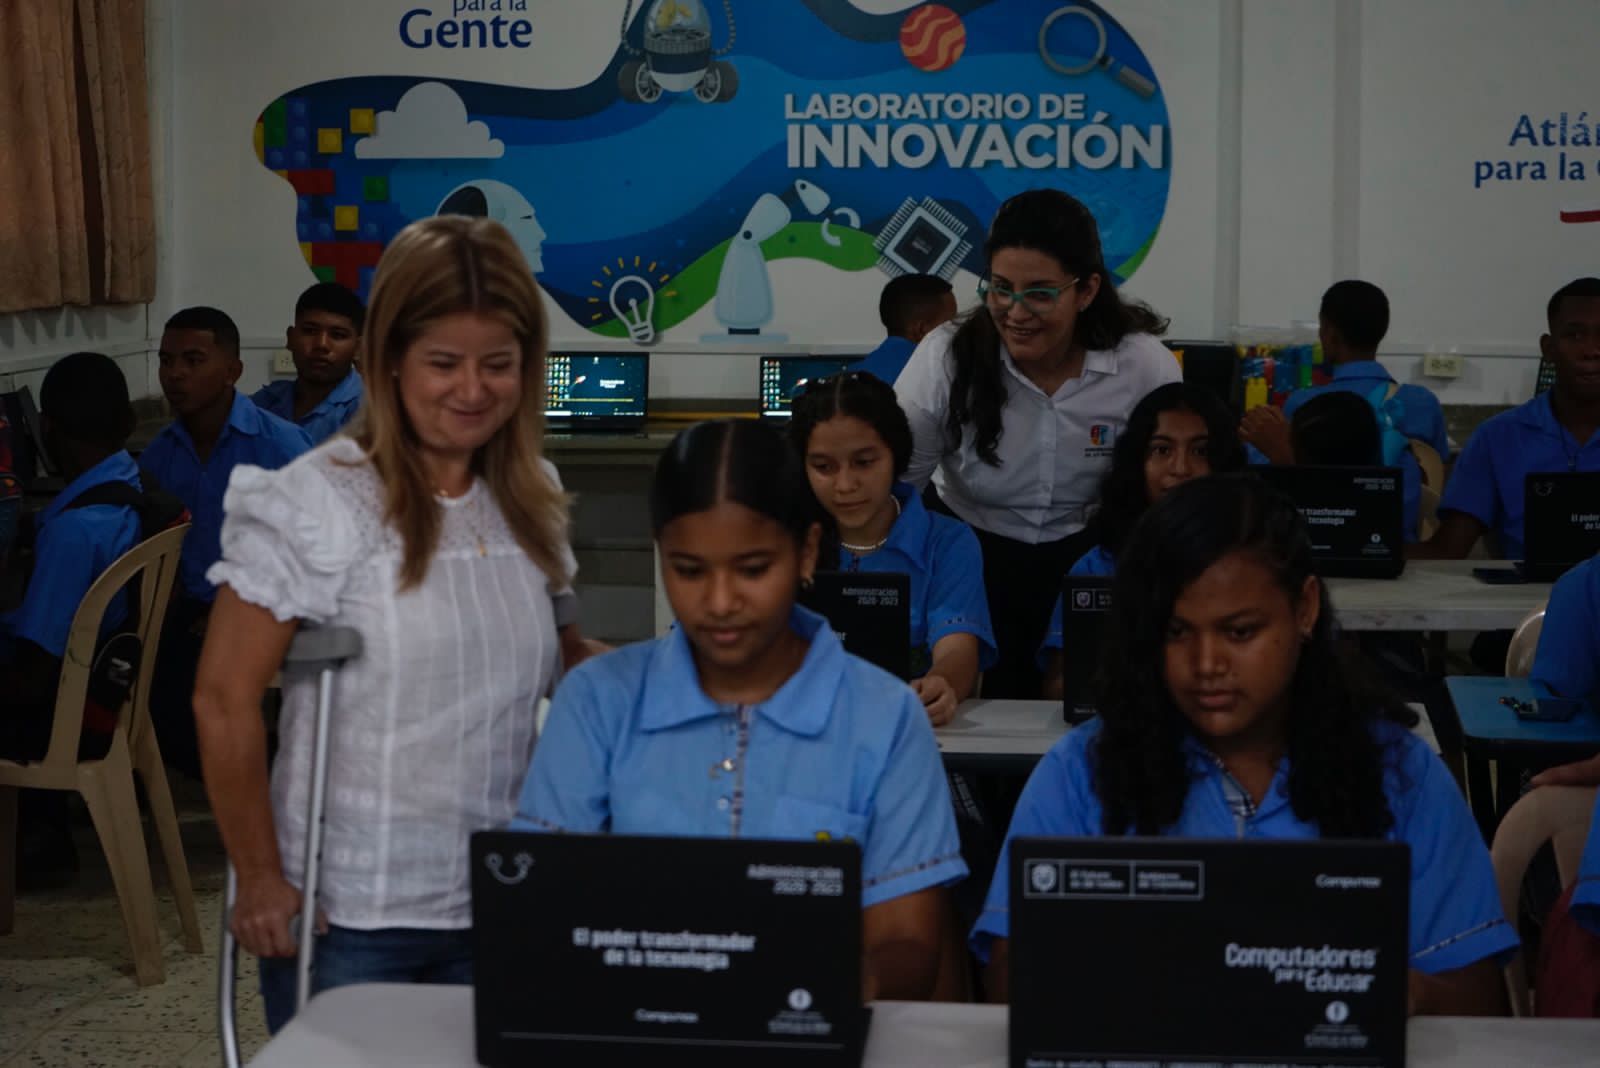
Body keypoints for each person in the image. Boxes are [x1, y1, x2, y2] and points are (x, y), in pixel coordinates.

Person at [194, 216, 596, 1032]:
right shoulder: (317, 500)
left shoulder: (530, 499)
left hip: (500, 894)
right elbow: (223, 698)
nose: (473, 390)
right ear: (390, 361)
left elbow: (569, 662)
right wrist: (260, 877)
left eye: (499, 365)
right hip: (350, 914)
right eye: (444, 363)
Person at [972, 476, 1517, 1015]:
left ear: (1304, 609)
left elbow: (1476, 997)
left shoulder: (1400, 772)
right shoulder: (1080, 772)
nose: (1207, 665)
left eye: (1240, 632)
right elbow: (1013, 980)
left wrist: (1400, 991)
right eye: (1176, 632)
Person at [511, 419, 966, 1001]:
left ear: (805, 552)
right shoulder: (599, 699)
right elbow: (542, 903)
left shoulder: (886, 717)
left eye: (753, 570)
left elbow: (907, 940)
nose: (721, 602)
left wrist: (796, 994)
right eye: (689, 570)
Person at [894, 189, 1180, 697]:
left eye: (1040, 293)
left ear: (1087, 290)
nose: (1015, 312)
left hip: (1092, 558)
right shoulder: (945, 357)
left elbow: (1170, 490)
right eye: (1000, 289)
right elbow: (898, 491)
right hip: (971, 556)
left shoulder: (1143, 364)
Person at [0, 353, 183, 883]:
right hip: (114, 695)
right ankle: (41, 831)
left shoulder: (75, 533)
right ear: (127, 423)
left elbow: (32, 680)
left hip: (65, 716)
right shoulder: (135, 486)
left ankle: (37, 842)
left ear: (46, 429)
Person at [142, 306, 311, 778]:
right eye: (166, 360)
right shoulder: (160, 454)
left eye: (193, 360)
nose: (175, 374)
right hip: (192, 608)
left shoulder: (279, 447)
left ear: (232, 371)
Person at [788, 371, 995, 725]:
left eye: (864, 463)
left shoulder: (946, 543)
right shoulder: (784, 541)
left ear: (896, 456)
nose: (845, 484)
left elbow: (958, 648)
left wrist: (941, 685)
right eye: (823, 467)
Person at [1037, 382, 1246, 698]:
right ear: (1138, 463)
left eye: (1200, 451)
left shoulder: (1252, 562)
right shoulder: (1099, 566)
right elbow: (1059, 686)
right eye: (1162, 450)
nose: (1180, 468)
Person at [1417, 277, 1600, 561]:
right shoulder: (1497, 438)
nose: (1591, 350)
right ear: (1549, 349)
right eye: (1575, 335)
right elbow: (1448, 550)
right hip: (1526, 603)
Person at [1282, 280, 1451, 460]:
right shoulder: (1424, 404)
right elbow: (1437, 473)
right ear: (1382, 331)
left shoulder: (1304, 406)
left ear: (1330, 335)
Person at [252, 282, 366, 444]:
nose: (321, 344)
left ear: (358, 348)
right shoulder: (266, 402)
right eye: (310, 331)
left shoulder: (371, 412)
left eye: (338, 335)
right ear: (290, 338)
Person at [847, 274, 956, 386]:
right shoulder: (941, 379)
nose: (956, 330)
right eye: (951, 323)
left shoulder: (849, 378)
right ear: (921, 330)